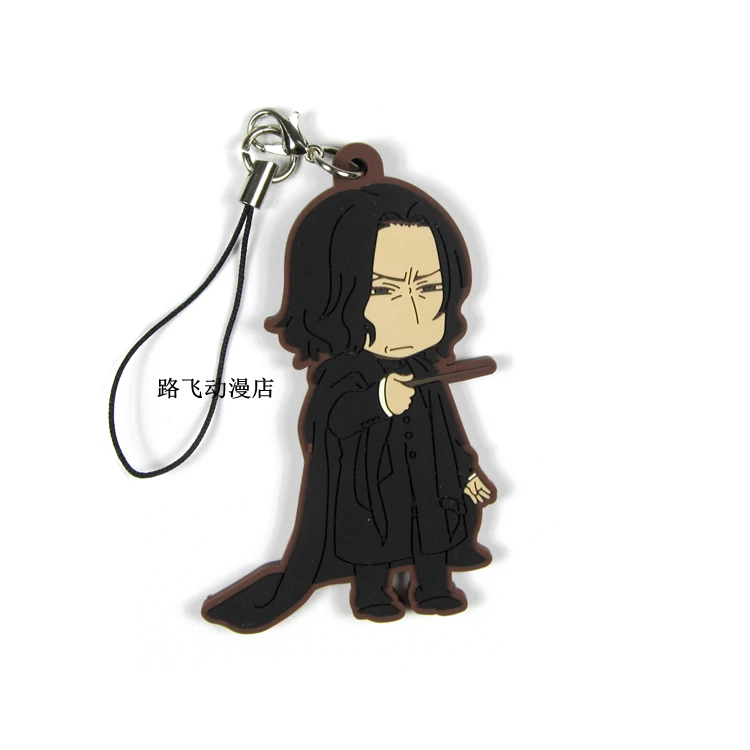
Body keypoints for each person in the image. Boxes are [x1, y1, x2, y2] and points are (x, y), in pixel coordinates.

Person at [202, 174, 495, 632]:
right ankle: (372, 591)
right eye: (384, 290)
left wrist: (466, 474)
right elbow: (325, 424)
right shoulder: (342, 374)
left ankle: (434, 585)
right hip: (370, 487)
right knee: (372, 536)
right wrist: (378, 400)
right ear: (333, 295)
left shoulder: (428, 373)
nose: (412, 313)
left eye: (428, 288)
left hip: (427, 484)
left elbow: (450, 434)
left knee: (432, 530)